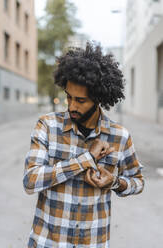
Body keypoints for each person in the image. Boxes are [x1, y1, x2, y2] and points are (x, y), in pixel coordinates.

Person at [23, 42, 144, 248]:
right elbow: (30, 181)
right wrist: (86, 160)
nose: (72, 106)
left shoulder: (120, 136)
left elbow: (138, 181)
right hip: (47, 243)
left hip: (93, 243)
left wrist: (114, 182)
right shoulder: (48, 125)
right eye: (68, 97)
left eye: (80, 100)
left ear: (98, 99)